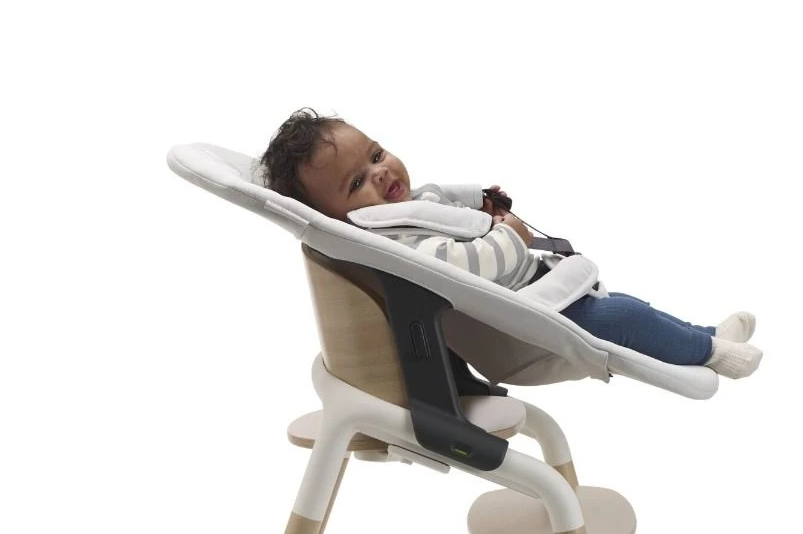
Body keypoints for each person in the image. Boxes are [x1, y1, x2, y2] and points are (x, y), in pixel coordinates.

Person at [257, 108, 763, 378]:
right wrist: (510, 236)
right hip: (523, 331)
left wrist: (479, 202)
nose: (381, 172)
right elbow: (462, 267)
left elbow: (442, 203)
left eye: (376, 154)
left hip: (534, 297)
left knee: (625, 305)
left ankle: (704, 333)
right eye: (355, 182)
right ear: (338, 217)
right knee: (624, 318)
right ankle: (711, 354)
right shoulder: (394, 245)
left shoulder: (407, 207)